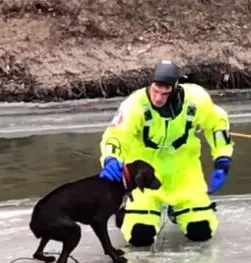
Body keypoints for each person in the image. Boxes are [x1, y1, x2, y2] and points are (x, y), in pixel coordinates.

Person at [98, 59, 234, 247]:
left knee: (201, 231)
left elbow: (217, 124)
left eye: (165, 92)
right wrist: (111, 158)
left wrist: (222, 159)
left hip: (185, 173)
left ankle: (177, 211)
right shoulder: (135, 105)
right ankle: (126, 211)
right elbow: (116, 134)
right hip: (145, 178)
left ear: (175, 89)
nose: (158, 98)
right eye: (155, 90)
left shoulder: (195, 100)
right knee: (140, 237)